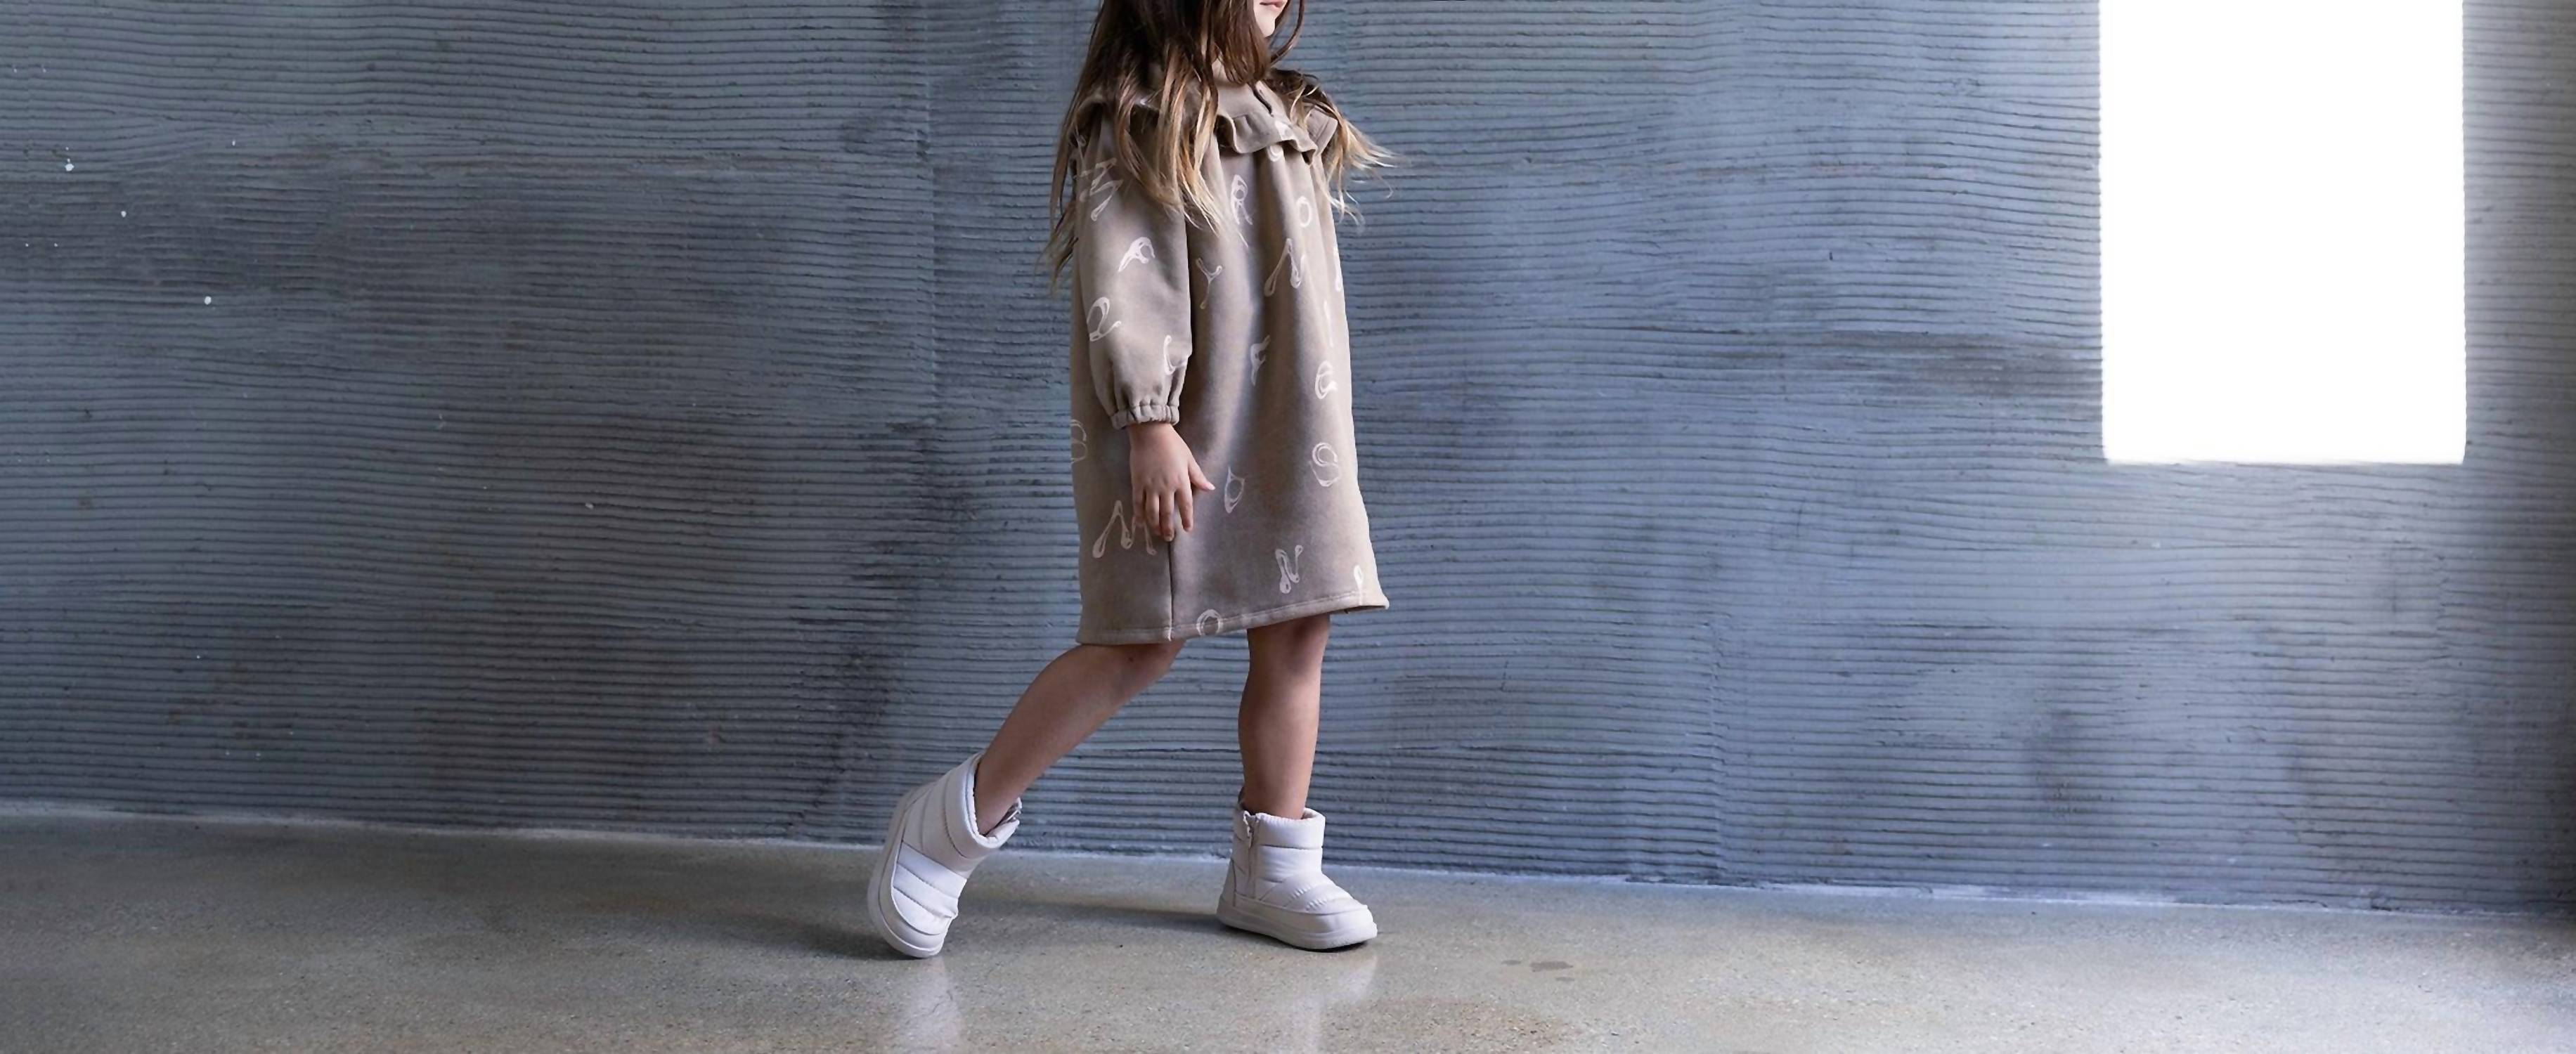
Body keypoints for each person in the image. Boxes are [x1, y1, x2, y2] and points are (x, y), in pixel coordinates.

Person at [864, 0, 1398, 959]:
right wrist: (1147, 419)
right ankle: (952, 822)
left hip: (1292, 418)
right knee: (1140, 640)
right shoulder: (1143, 115)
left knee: (1299, 624)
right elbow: (1126, 277)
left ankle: (1274, 864)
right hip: (1177, 427)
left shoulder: (1285, 113)